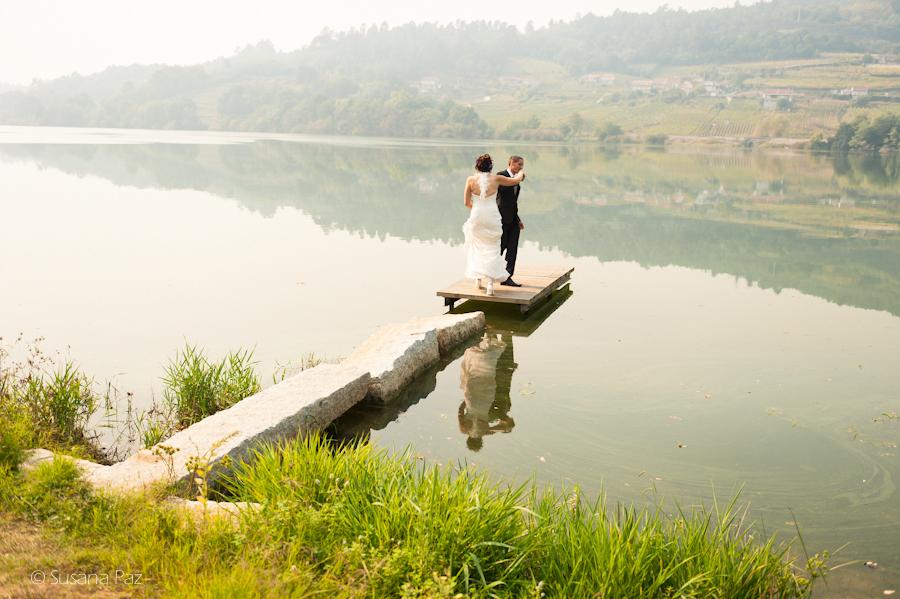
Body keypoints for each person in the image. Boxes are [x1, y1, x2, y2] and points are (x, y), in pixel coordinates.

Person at [462, 153, 525, 296]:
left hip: (477, 215)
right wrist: (521, 173)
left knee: (478, 247)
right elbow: (515, 181)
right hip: (492, 216)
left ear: (477, 166)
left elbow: (466, 203)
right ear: (491, 167)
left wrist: (478, 209)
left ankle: (478, 279)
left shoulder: (470, 180)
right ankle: (490, 285)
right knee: (493, 249)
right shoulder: (496, 179)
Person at [496, 155, 525, 286]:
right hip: (501, 219)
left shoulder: (517, 181)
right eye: (519, 164)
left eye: (522, 165)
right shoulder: (500, 175)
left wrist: (518, 219)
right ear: (512, 163)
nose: (521, 167)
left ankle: (508, 276)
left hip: (513, 220)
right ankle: (493, 273)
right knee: (500, 248)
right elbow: (498, 200)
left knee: (513, 249)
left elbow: (513, 203)